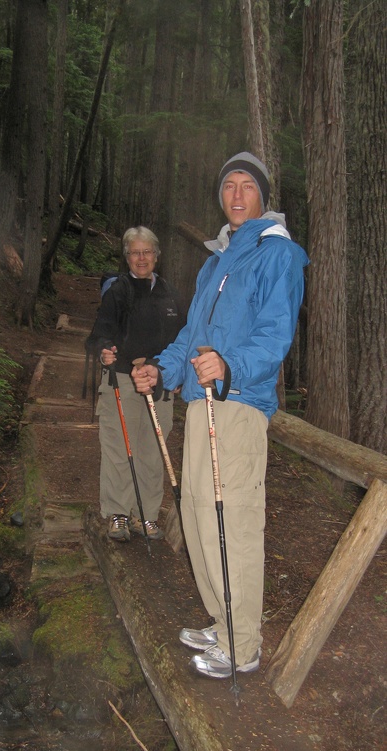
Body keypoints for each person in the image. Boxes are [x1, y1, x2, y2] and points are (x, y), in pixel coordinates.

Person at [132, 153, 309, 679]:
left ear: (263, 196)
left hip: (238, 404)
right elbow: (191, 336)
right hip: (201, 402)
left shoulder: (279, 254)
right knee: (198, 517)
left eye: (247, 187)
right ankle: (221, 620)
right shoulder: (217, 259)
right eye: (228, 186)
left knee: (233, 522)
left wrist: (229, 366)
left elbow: (276, 335)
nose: (236, 195)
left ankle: (243, 644)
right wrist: (163, 371)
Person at [86, 226, 185, 542]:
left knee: (153, 451)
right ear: (126, 256)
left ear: (156, 255)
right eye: (134, 252)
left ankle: (146, 515)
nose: (141, 258)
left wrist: (177, 374)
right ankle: (118, 513)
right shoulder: (118, 291)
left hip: (160, 383)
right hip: (123, 381)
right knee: (120, 447)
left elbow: (181, 339)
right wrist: (104, 351)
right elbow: (99, 334)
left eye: (146, 252)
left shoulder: (170, 295)